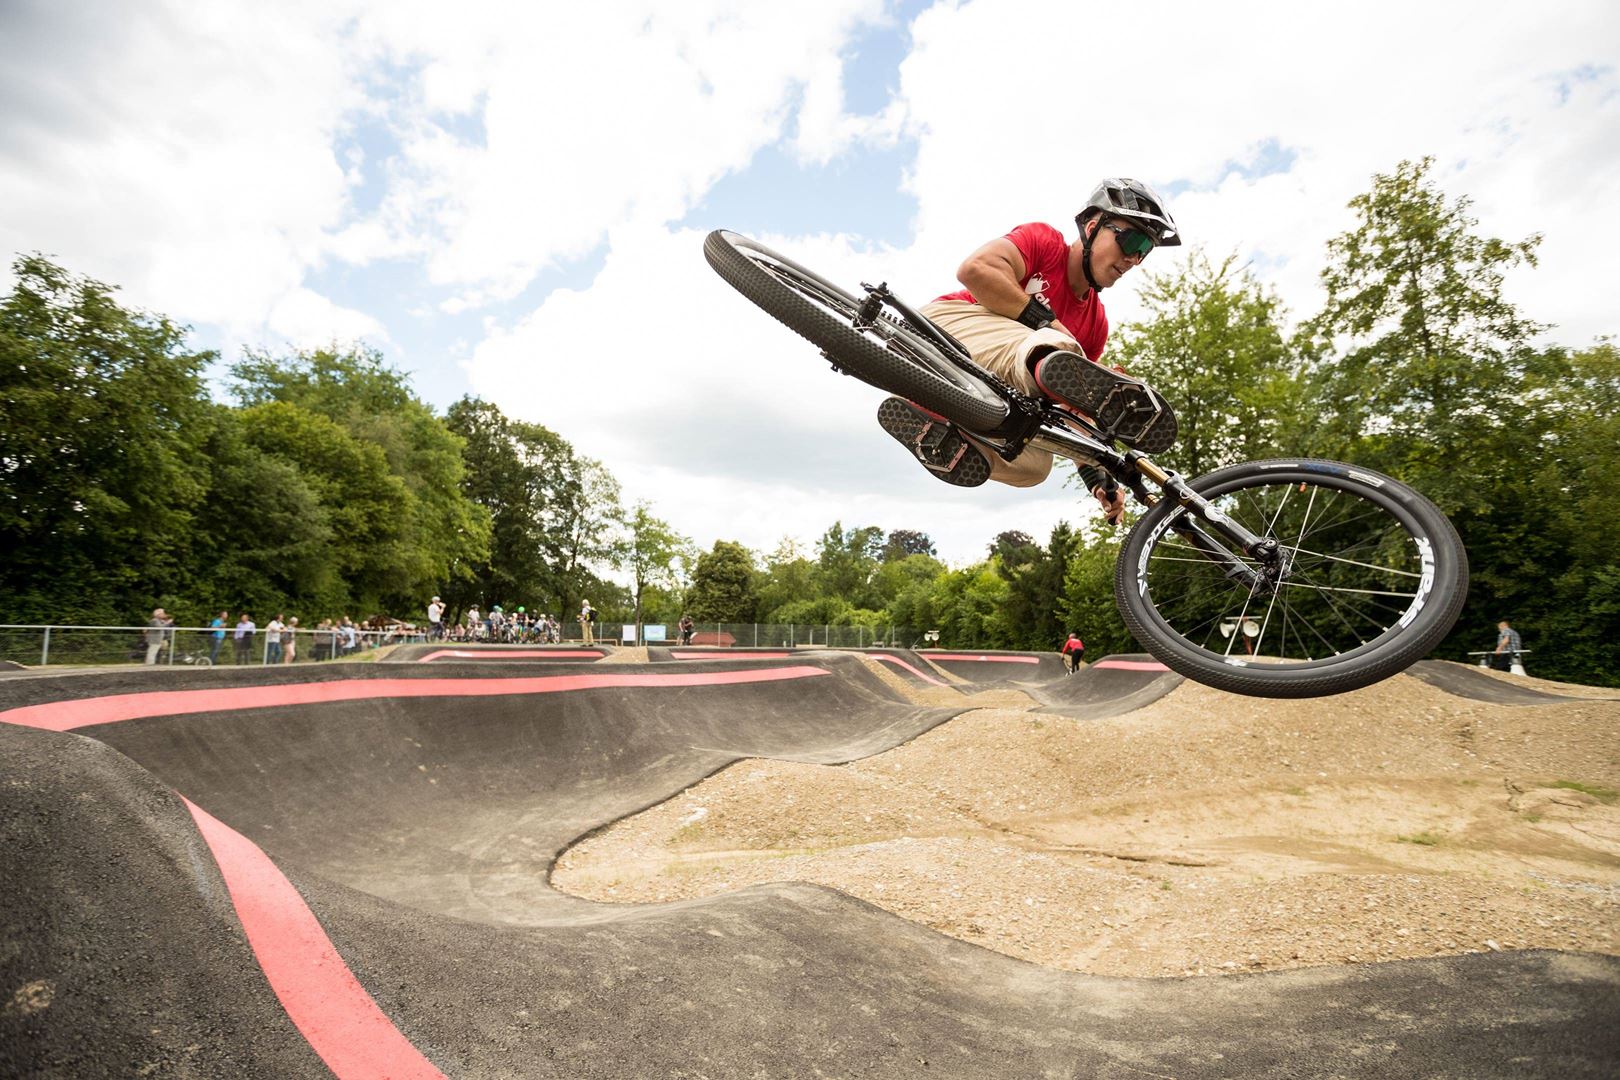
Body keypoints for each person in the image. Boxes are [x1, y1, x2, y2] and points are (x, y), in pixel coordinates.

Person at [877, 178, 1181, 527]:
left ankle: (939, 436)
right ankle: (1052, 364)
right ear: (1093, 226)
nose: (1134, 259)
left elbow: (1072, 413)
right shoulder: (1044, 242)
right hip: (942, 333)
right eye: (1133, 241)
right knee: (1060, 347)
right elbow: (975, 269)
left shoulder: (1095, 324)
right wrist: (1048, 324)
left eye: (1145, 251)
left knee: (1035, 467)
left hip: (974, 391)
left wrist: (1098, 477)